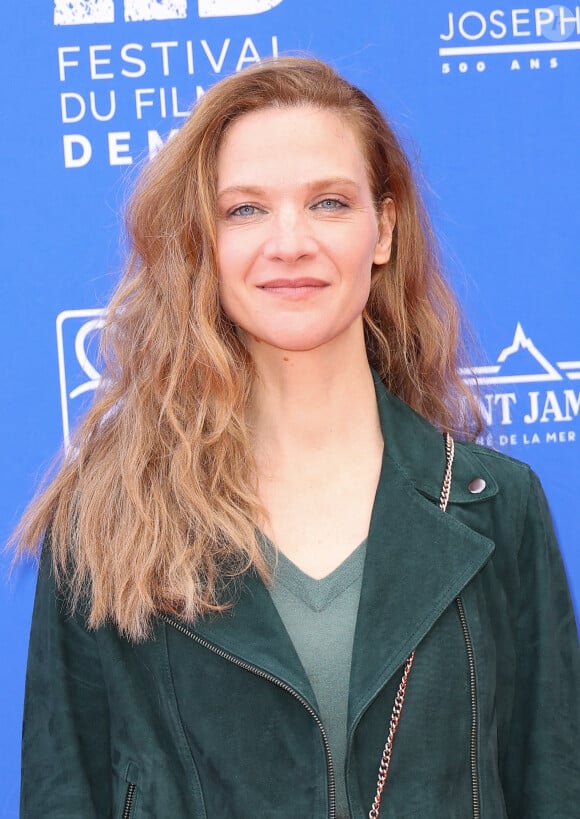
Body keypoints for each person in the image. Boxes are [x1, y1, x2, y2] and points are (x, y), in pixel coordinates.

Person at [15, 56, 579, 818]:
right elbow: (64, 791)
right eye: (245, 209)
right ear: (203, 240)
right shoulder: (105, 520)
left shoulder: (496, 506)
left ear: (383, 228)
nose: (290, 242)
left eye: (328, 203)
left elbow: (553, 785)